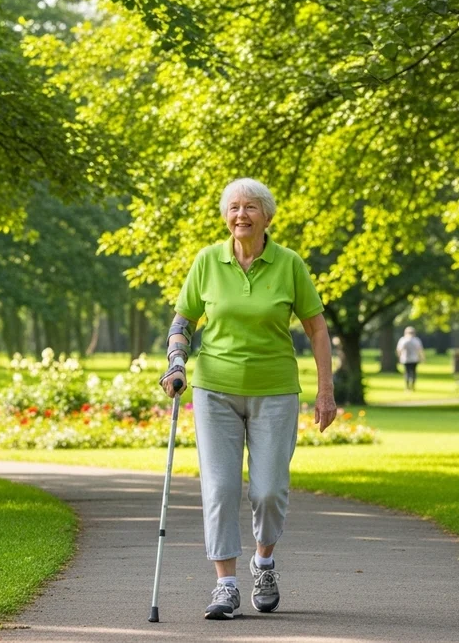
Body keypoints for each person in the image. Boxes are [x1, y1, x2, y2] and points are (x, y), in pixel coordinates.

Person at [160, 177, 335, 620]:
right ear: (226, 216)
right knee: (219, 488)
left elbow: (317, 329)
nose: (241, 215)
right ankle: (225, 584)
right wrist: (176, 361)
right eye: (234, 208)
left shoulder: (289, 264)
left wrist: (325, 390)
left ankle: (264, 563)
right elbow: (183, 320)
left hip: (274, 390)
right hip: (214, 389)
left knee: (268, 490)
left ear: (267, 217)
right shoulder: (207, 261)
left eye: (250, 208)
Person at [395, 326, 425, 391]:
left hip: (405, 359)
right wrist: (422, 357)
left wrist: (399, 357)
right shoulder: (416, 340)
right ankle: (413, 386)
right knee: (413, 372)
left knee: (407, 373)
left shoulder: (403, 340)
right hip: (414, 359)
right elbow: (420, 350)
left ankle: (407, 387)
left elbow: (399, 350)